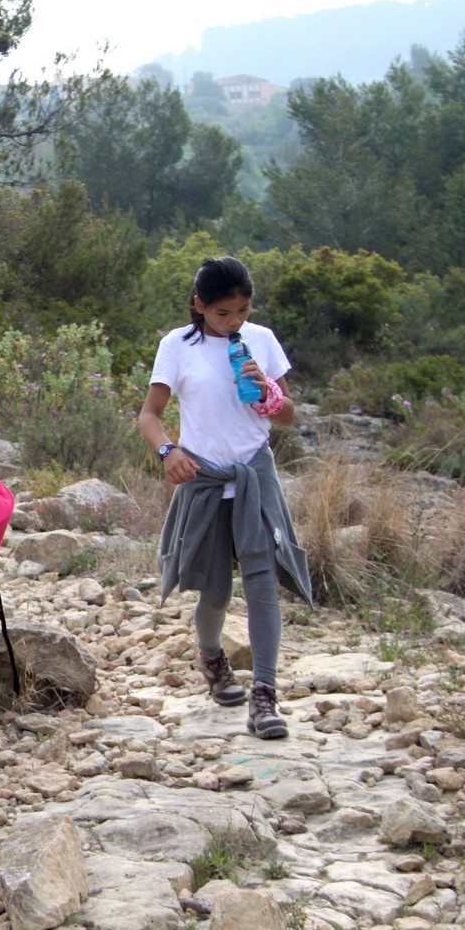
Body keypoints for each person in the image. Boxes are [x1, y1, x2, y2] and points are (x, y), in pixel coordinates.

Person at [137, 255, 312, 741]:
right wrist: (168, 451)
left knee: (262, 585)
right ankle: (212, 656)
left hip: (255, 476)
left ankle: (265, 696)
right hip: (205, 479)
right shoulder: (177, 345)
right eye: (222, 313)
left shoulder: (262, 340)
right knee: (215, 591)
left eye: (242, 310)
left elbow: (288, 415)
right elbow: (149, 415)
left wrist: (268, 393)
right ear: (199, 305)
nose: (234, 321)